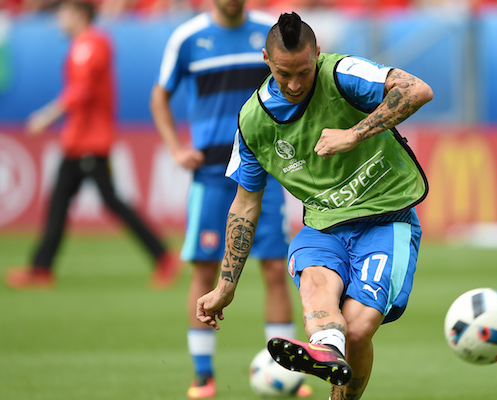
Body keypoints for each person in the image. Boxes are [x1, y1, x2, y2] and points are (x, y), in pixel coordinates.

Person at [196, 12, 433, 400]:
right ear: (266, 61)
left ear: (317, 55)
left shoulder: (342, 73)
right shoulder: (253, 121)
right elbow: (244, 205)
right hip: (322, 227)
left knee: (357, 331)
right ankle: (323, 344)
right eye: (283, 73)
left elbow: (418, 90)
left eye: (304, 72)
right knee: (317, 286)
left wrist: (354, 135)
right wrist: (226, 284)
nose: (294, 83)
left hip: (387, 219)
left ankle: (334, 367)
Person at [149, 1, 308, 398]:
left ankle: (288, 374)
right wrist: (174, 148)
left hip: (263, 171)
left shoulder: (270, 37)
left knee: (275, 268)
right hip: (210, 172)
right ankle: (203, 376)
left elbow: (292, 88)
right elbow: (159, 96)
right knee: (203, 269)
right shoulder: (187, 38)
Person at [4, 0, 181, 290]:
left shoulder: (92, 44)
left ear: (79, 15)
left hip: (90, 141)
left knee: (108, 201)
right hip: (79, 141)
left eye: (63, 14)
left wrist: (49, 114)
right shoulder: (83, 45)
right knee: (61, 202)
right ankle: (40, 267)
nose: (59, 20)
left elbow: (83, 89)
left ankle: (163, 257)